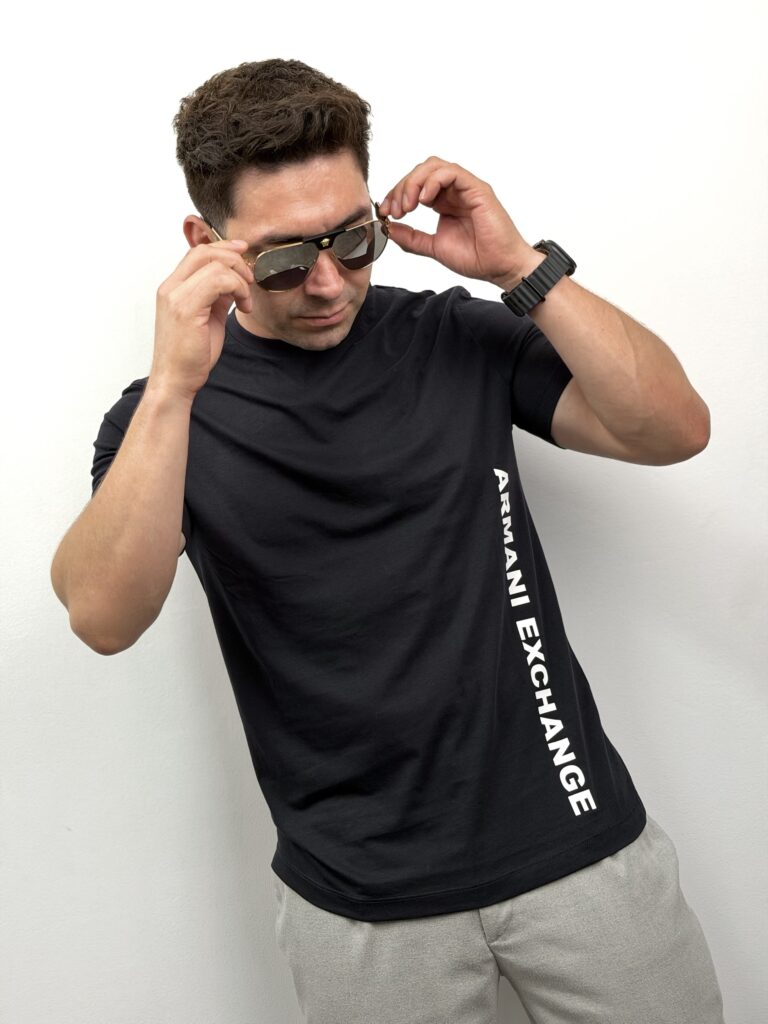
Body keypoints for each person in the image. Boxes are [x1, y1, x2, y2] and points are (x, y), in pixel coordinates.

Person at [50, 59, 726, 1023]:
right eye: (285, 258)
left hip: (578, 842)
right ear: (208, 245)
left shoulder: (453, 337)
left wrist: (520, 268)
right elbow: (102, 617)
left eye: (354, 239)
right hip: (361, 905)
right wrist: (173, 387)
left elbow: (674, 430)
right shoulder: (165, 417)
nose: (329, 282)